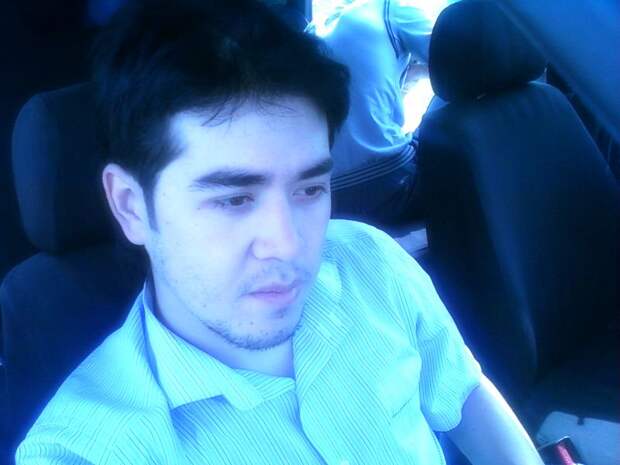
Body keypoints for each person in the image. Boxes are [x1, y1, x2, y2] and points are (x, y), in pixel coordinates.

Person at [16, 1, 544, 464]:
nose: (290, 244)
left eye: (309, 189)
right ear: (131, 207)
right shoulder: (88, 449)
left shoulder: (370, 262)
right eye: (233, 199)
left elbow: (464, 392)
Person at [314, 0, 453, 230]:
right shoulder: (389, 8)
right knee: (450, 98)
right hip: (390, 180)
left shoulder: (315, 28)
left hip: (329, 197)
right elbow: (458, 61)